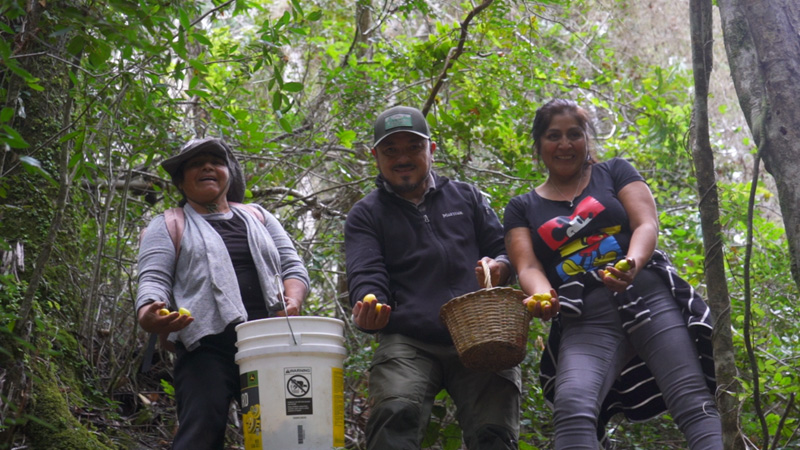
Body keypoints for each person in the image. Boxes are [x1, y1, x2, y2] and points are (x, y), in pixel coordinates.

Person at [504, 99, 722, 449]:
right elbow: (528, 266)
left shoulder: (614, 171)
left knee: (692, 400)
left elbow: (646, 223)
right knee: (572, 406)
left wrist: (633, 262)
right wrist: (543, 295)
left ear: (587, 139)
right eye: (553, 136)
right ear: (539, 145)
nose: (564, 144)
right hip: (585, 313)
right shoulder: (522, 207)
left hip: (646, 293)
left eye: (574, 134)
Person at [344, 105, 521, 450]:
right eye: (390, 150)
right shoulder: (366, 214)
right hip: (409, 337)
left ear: (431, 150)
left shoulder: (466, 197)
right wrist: (372, 306)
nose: (402, 158)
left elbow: (505, 248)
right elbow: (366, 273)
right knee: (396, 410)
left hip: (479, 331)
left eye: (413, 147)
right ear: (375, 156)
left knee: (494, 432)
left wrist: (502, 266)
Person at [136, 136, 310, 449]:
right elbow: (153, 280)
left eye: (215, 161)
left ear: (228, 172)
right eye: (194, 164)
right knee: (201, 430)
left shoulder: (259, 217)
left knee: (280, 436)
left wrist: (293, 299)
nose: (207, 167)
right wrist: (150, 313)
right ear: (181, 180)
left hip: (268, 342)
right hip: (205, 347)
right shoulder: (169, 224)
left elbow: (293, 269)